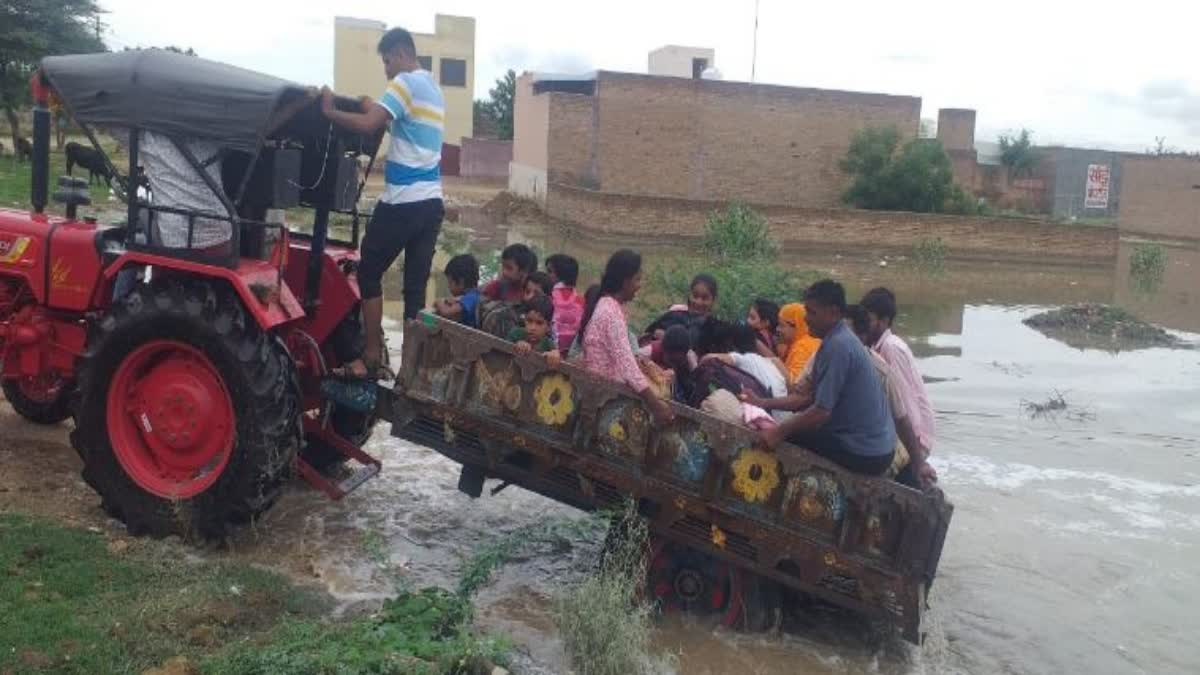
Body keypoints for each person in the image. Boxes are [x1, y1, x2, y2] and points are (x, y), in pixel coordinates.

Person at [320, 27, 445, 379]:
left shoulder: (403, 84)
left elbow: (368, 125)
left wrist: (331, 112)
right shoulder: (432, 88)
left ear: (402, 53)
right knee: (415, 289)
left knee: (369, 269)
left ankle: (370, 357)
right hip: (432, 204)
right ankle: (410, 370)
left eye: (388, 61)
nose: (387, 70)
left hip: (404, 201)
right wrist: (371, 106)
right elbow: (402, 128)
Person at [761, 280, 895, 476]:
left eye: (812, 312)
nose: (806, 319)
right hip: (878, 447)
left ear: (833, 313)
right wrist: (763, 402)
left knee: (789, 437)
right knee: (792, 429)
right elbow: (807, 398)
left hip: (867, 452)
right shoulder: (835, 340)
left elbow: (821, 412)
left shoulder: (838, 346)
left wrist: (779, 432)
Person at [577, 250, 674, 424]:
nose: (639, 285)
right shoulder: (610, 312)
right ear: (624, 281)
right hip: (605, 400)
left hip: (602, 394)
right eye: (637, 279)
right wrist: (656, 406)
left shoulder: (606, 305)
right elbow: (627, 366)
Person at [843, 305, 935, 488]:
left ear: (884, 321)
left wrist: (916, 457)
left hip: (910, 437)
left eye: (870, 319)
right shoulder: (873, 350)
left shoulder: (889, 349)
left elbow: (904, 404)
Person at [702, 323, 789, 421]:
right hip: (786, 420)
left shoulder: (742, 359)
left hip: (770, 421)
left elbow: (708, 358)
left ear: (731, 345)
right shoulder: (774, 363)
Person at [642, 274, 719, 346]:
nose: (698, 302)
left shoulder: (715, 330)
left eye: (704, 298)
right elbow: (646, 336)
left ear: (714, 300)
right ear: (689, 295)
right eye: (695, 296)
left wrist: (667, 338)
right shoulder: (673, 315)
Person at [546, 254, 585, 355]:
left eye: (549, 271)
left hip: (548, 352)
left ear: (561, 274)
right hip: (572, 354)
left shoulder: (549, 297)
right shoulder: (582, 301)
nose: (547, 275)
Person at [509, 294, 562, 366]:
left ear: (549, 327)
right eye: (529, 321)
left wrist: (555, 355)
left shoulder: (549, 345)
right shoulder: (515, 334)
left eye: (539, 323)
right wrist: (517, 345)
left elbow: (557, 356)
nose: (532, 328)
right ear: (524, 320)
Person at [777, 302, 821, 385]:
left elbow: (794, 383)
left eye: (782, 325)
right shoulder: (806, 341)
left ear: (797, 325)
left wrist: (774, 362)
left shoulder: (803, 347)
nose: (778, 329)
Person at [434, 254, 480, 329]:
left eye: (450, 282)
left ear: (461, 282)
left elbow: (446, 313)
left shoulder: (471, 298)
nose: (448, 286)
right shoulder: (475, 294)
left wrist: (439, 302)